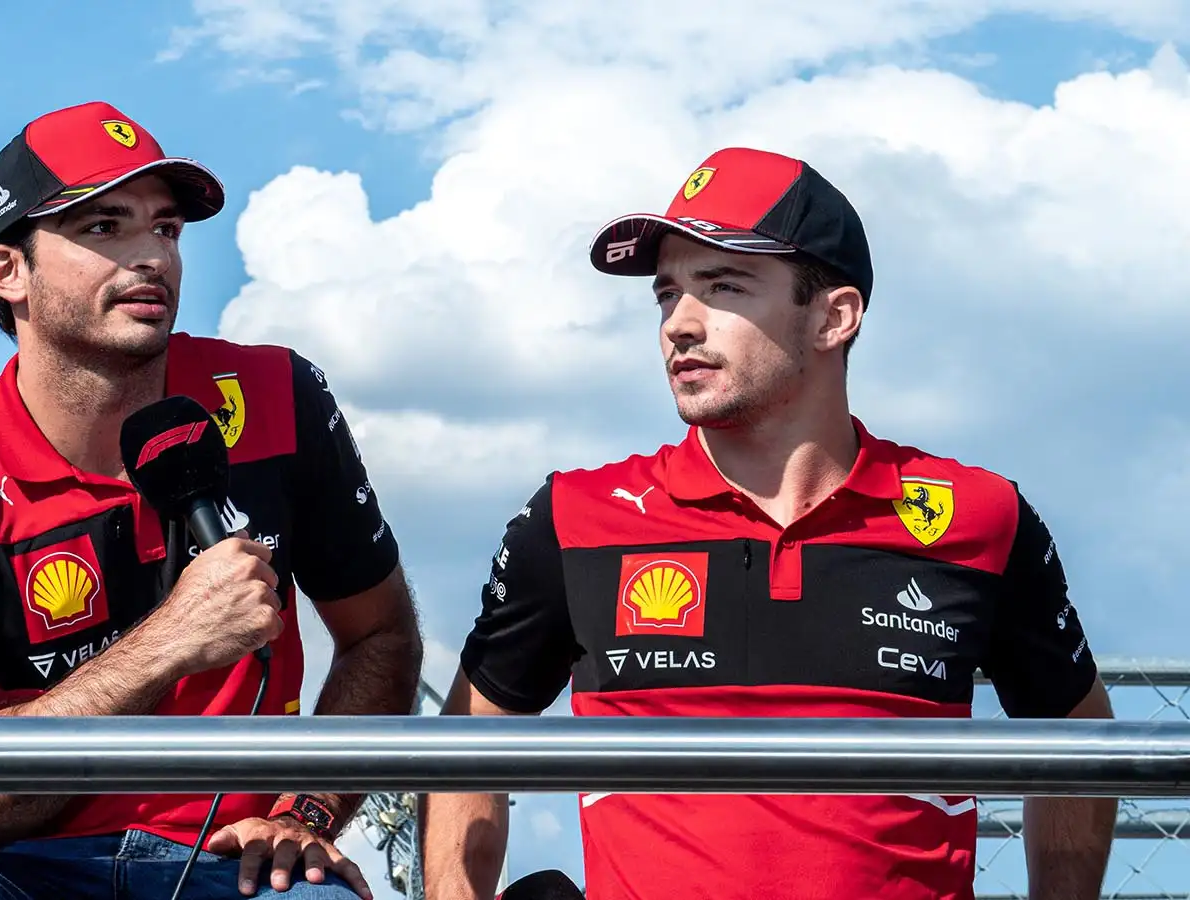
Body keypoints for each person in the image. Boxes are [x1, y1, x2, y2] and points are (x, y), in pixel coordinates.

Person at [421, 147, 1117, 900]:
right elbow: (468, 740)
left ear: (832, 317)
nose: (679, 325)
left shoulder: (979, 516)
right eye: (666, 295)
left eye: (723, 286)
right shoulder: (573, 516)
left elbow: (1079, 737)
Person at [0, 101, 423, 900]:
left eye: (167, 230)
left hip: (235, 867)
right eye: (106, 228)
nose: (151, 256)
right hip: (11, 872)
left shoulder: (276, 395)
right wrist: (170, 641)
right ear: (8, 271)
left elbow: (381, 635)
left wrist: (308, 814)